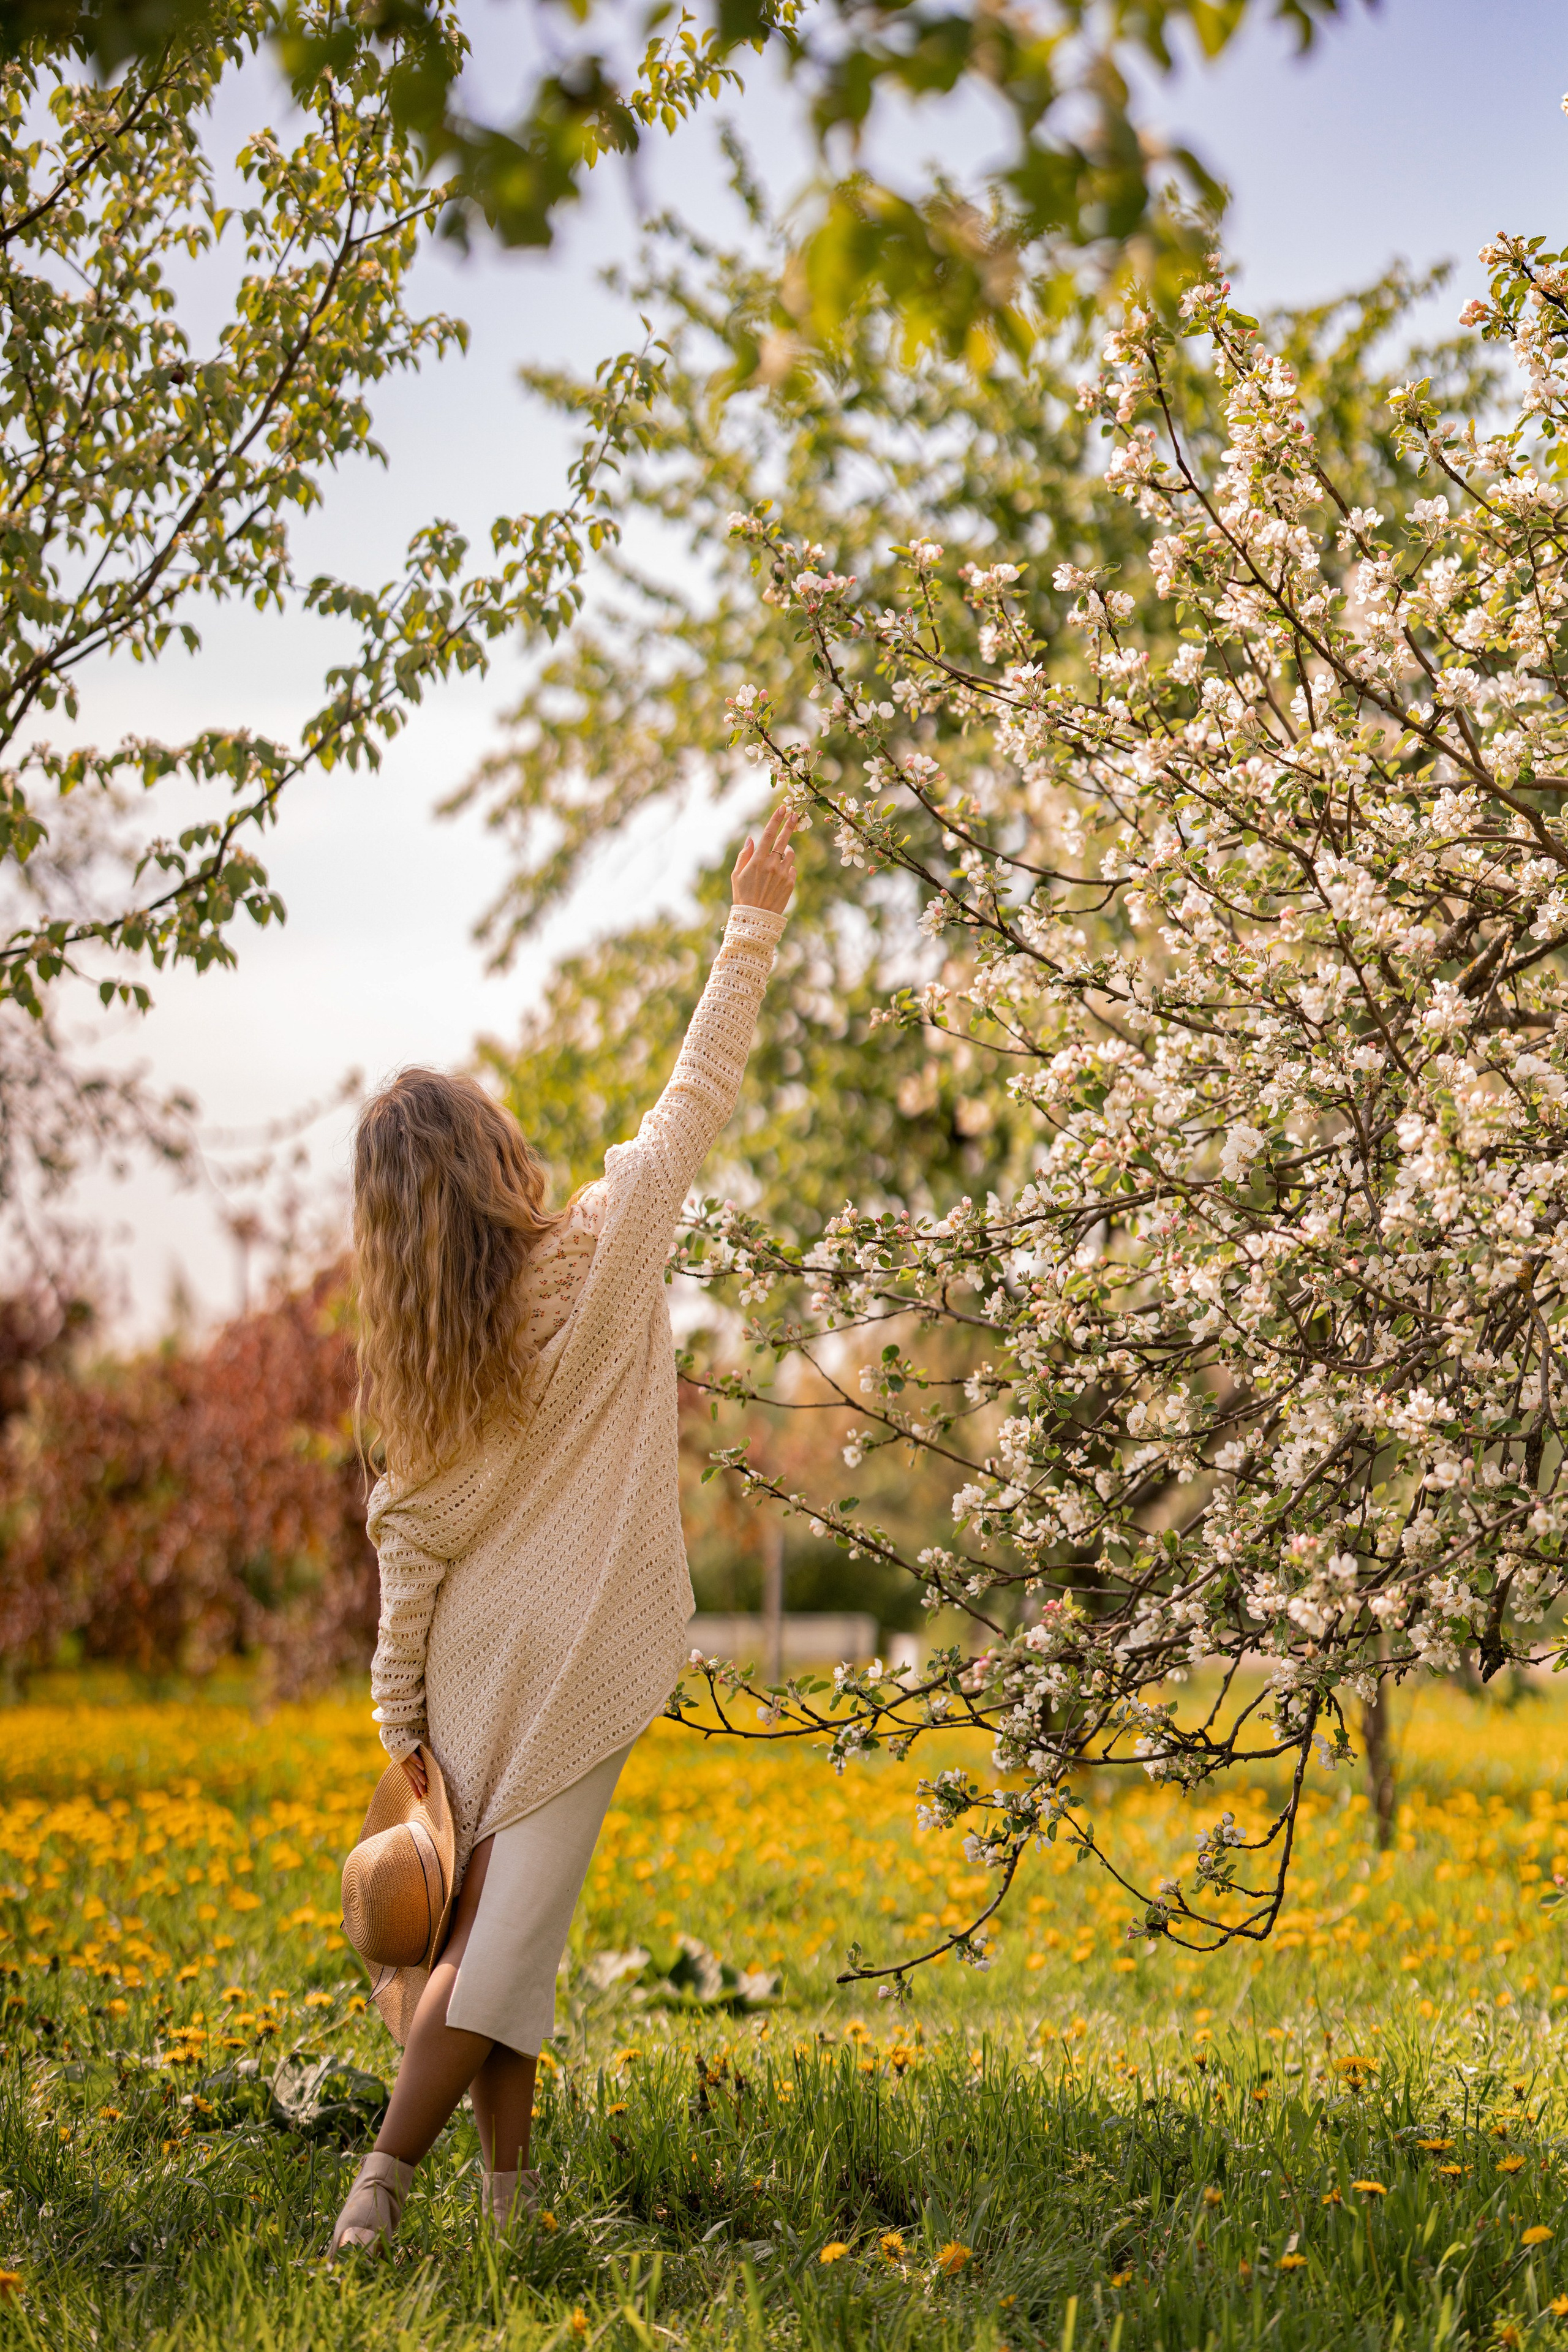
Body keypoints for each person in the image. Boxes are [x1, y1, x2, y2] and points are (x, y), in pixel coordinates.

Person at [328, 805, 797, 2253]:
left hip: (470, 1677)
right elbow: (695, 1093)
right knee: (498, 1959)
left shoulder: (423, 1383)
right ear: (497, 1158)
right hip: (577, 1654)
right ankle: (376, 2191)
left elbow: (405, 1577)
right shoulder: (599, 1251)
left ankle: (510, 2218)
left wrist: (399, 1726)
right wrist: (751, 920)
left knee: (494, 1956)